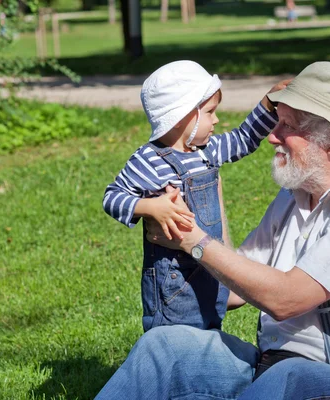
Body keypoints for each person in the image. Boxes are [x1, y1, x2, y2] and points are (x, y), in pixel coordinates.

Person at [96, 61, 330, 399]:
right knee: (165, 347)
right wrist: (208, 187)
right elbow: (236, 287)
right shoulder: (294, 197)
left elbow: (286, 300)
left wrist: (191, 240)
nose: (271, 136)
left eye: (287, 126)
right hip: (269, 370)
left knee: (290, 376)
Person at [103, 60, 285, 333]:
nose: (216, 120)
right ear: (183, 116)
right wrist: (151, 207)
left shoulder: (206, 149)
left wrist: (268, 105)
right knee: (175, 342)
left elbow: (244, 139)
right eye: (210, 112)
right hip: (174, 283)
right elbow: (112, 197)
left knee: (209, 332)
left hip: (209, 269)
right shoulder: (149, 160)